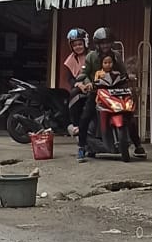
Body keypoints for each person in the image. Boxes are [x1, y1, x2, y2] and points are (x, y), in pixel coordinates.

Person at [79, 27, 146, 159]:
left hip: (116, 91)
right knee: (85, 117)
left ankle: (138, 145)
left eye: (108, 42)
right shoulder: (91, 57)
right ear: (97, 44)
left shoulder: (116, 55)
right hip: (97, 92)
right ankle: (81, 146)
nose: (105, 45)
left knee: (129, 116)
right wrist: (88, 83)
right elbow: (84, 74)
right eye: (102, 43)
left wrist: (128, 77)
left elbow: (123, 72)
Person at [61, 29, 88, 140]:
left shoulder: (92, 56)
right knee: (73, 95)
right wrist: (78, 85)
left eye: (80, 44)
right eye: (75, 45)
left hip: (94, 85)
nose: (78, 47)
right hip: (79, 87)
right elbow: (70, 79)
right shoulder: (70, 60)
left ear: (85, 43)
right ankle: (76, 126)